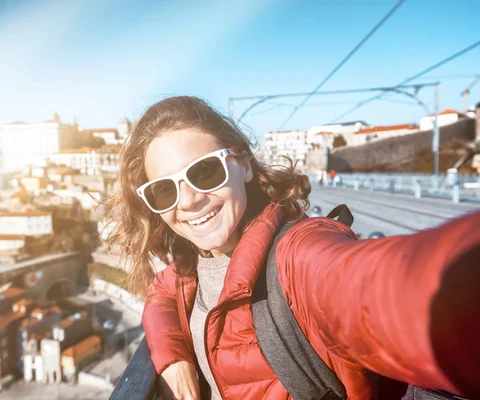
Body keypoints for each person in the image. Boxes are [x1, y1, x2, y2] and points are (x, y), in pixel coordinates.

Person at [104, 96, 480, 400]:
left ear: (245, 165)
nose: (187, 202)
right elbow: (161, 294)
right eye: (164, 190)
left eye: (204, 172)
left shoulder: (299, 254)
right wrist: (173, 360)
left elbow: (392, 288)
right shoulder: (191, 263)